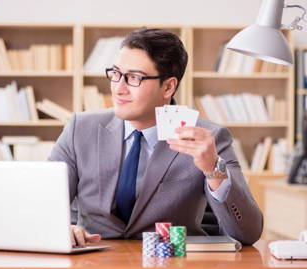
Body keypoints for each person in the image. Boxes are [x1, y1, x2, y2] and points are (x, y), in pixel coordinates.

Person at [49, 28, 263, 247]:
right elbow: (41, 206)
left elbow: (248, 233)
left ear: (168, 87)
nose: (118, 88)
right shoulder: (80, 129)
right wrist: (62, 228)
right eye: (115, 74)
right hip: (92, 264)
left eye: (134, 78)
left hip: (170, 266)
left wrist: (214, 171)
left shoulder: (208, 139)